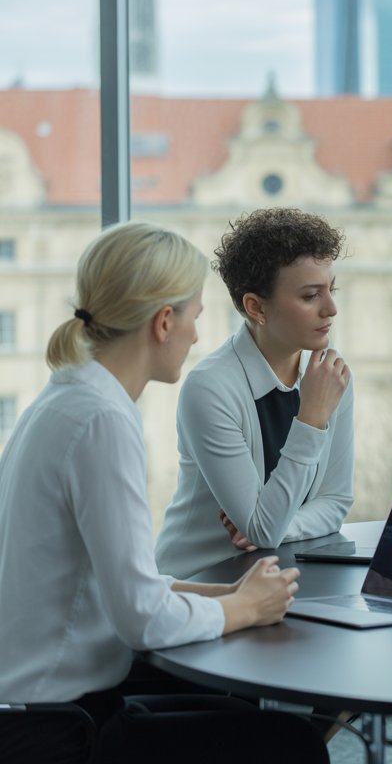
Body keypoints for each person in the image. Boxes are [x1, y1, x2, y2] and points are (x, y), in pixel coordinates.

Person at [0, 221, 327, 763]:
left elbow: (125, 583)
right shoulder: (103, 420)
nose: (197, 335)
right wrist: (242, 610)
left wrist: (225, 595)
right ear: (164, 321)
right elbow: (141, 618)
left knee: (249, 718)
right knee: (291, 743)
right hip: (60, 730)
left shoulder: (63, 399)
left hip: (42, 707)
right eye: (195, 316)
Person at [156, 207, 354, 579]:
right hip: (198, 585)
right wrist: (311, 417)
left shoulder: (332, 375)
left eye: (331, 289)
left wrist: (283, 526)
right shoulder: (210, 388)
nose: (331, 308)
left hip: (279, 578)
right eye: (311, 296)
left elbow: (335, 502)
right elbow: (262, 530)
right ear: (256, 308)